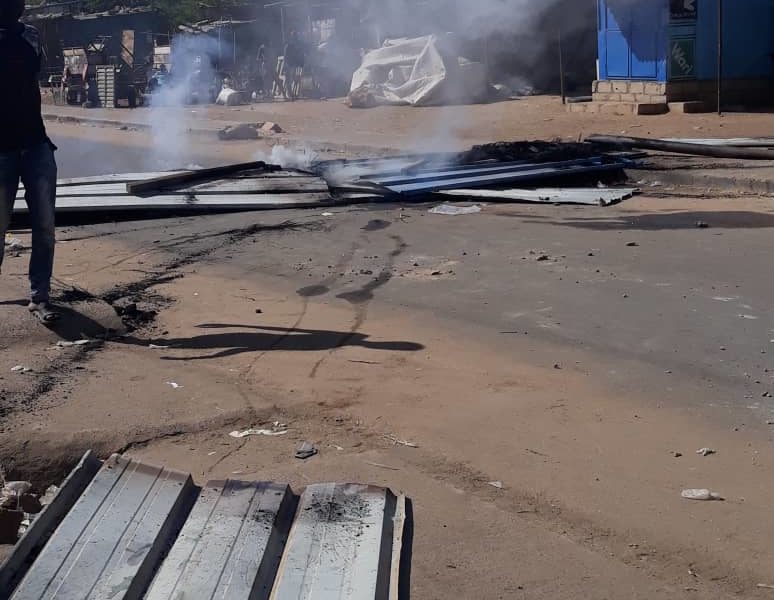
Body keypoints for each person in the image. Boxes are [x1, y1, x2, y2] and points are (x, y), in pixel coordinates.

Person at [0, 0, 59, 322]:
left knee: (45, 226)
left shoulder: (32, 36)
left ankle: (40, 297)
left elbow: (32, 78)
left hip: (36, 145)